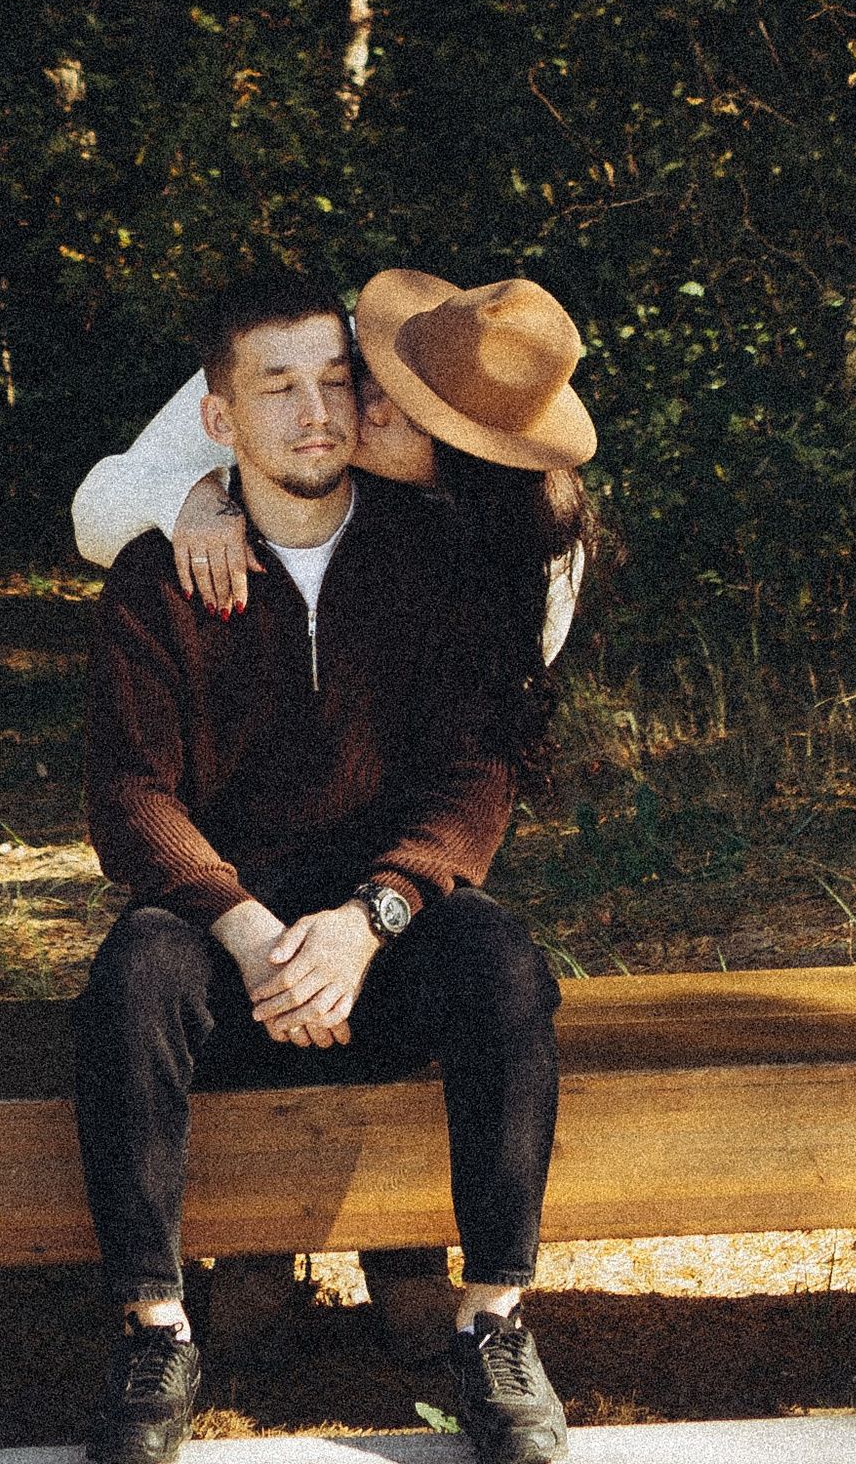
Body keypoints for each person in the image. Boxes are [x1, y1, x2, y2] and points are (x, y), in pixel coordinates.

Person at [73, 265, 594, 1464]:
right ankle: (155, 1332)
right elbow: (130, 794)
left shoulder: (474, 562)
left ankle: (493, 1321)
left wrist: (372, 915)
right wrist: (248, 927)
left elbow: (473, 775)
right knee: (134, 976)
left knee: (505, 967)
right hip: (231, 926)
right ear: (221, 418)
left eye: (339, 389)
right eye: (288, 390)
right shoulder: (163, 572)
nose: (326, 414)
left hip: (382, 926)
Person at [73, 264, 597, 683]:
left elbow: (495, 703)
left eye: (415, 419)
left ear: (469, 466)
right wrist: (193, 497)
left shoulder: (534, 554)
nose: (372, 409)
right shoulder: (307, 355)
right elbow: (94, 512)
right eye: (386, 378)